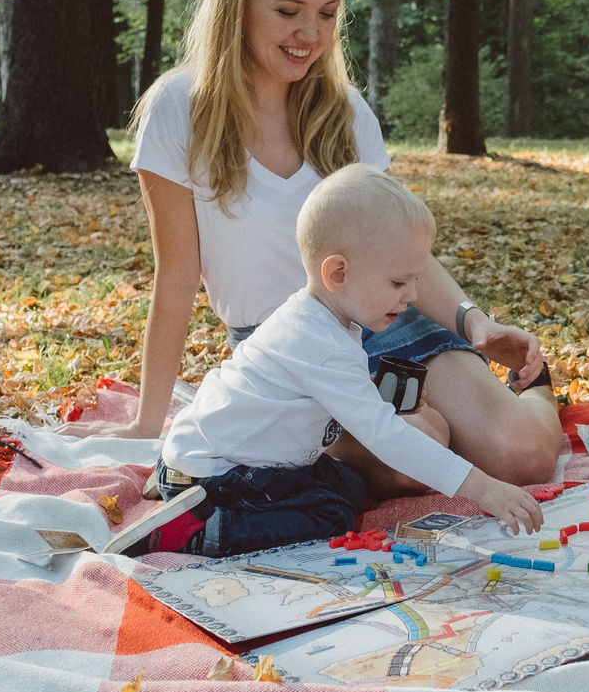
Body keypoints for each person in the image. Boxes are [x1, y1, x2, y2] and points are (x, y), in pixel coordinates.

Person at [124, 0, 564, 494]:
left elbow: (398, 250)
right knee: (420, 447)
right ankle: (432, 426)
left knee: (525, 456)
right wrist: (147, 423)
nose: (311, 34)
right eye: (288, 12)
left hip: (390, 323)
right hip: (289, 353)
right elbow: (176, 277)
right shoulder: (177, 109)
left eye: (327, 14)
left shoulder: (346, 113)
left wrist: (475, 322)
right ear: (236, 6)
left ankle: (533, 393)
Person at [149, 166, 544, 555]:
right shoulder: (317, 340)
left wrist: (370, 395)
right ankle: (196, 530)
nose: (411, 297)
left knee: (351, 486)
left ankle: (177, 485)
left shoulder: (322, 321)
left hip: (229, 458)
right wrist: (483, 488)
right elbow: (387, 438)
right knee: (332, 512)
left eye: (416, 280)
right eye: (397, 283)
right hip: (221, 475)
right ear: (338, 273)